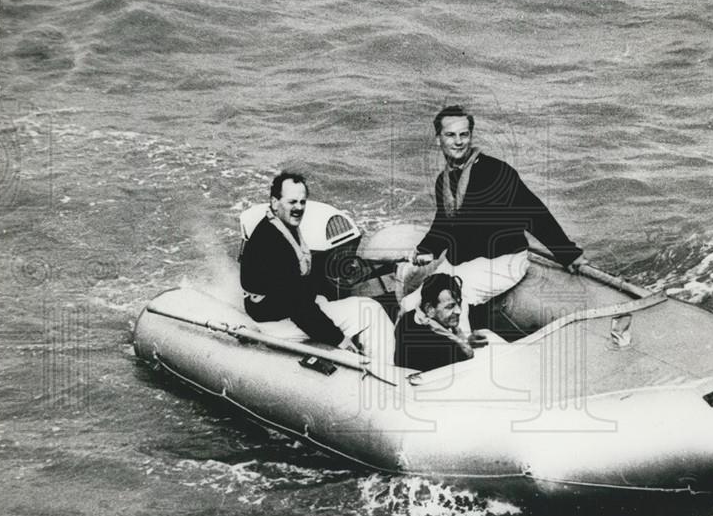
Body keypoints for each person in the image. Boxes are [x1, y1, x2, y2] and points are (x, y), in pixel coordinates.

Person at [400, 105, 587, 331]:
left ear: (471, 136)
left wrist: (568, 254)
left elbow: (534, 213)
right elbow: (444, 225)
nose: (458, 142)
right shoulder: (444, 180)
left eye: (464, 134)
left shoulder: (496, 172)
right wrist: (426, 248)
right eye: (450, 135)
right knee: (408, 304)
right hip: (463, 264)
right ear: (438, 139)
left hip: (503, 261)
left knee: (457, 300)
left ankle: (463, 360)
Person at [240, 171, 395, 362]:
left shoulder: (273, 226)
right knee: (371, 310)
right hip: (277, 323)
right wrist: (340, 339)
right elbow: (299, 309)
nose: (298, 208)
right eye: (292, 202)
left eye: (302, 202)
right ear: (274, 202)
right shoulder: (274, 243)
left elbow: (293, 286)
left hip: (270, 311)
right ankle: (384, 372)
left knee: (322, 299)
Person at [394, 273, 487, 372]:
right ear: (429, 309)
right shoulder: (443, 347)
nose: (458, 311)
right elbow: (465, 360)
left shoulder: (408, 317)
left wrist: (467, 341)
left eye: (459, 304)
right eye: (450, 306)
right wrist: (464, 346)